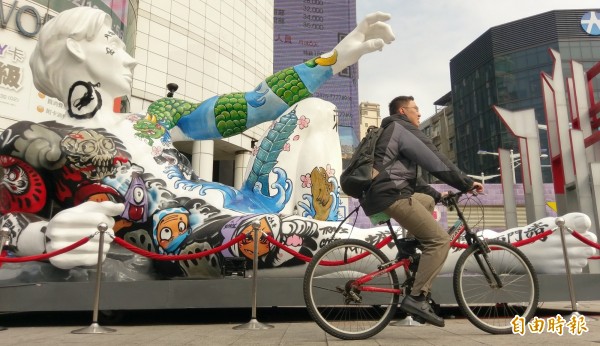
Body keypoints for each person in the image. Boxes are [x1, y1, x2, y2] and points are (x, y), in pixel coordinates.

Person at [0, 7, 395, 274]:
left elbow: (251, 105)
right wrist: (43, 236)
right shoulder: (34, 137)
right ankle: (378, 247)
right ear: (75, 48)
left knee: (316, 109)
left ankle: (348, 243)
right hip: (193, 238)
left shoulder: (153, 117)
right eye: (113, 43)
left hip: (252, 205)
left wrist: (333, 58)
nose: (129, 57)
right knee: (262, 232)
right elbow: (7, 220)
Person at [361, 95, 484, 327]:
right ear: (402, 111)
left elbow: (408, 179)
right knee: (439, 241)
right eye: (415, 109)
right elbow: (434, 160)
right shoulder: (401, 127)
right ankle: (417, 298)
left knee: (426, 201)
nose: (419, 113)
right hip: (390, 195)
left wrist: (439, 196)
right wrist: (466, 183)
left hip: (383, 193)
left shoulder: (391, 130)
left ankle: (408, 249)